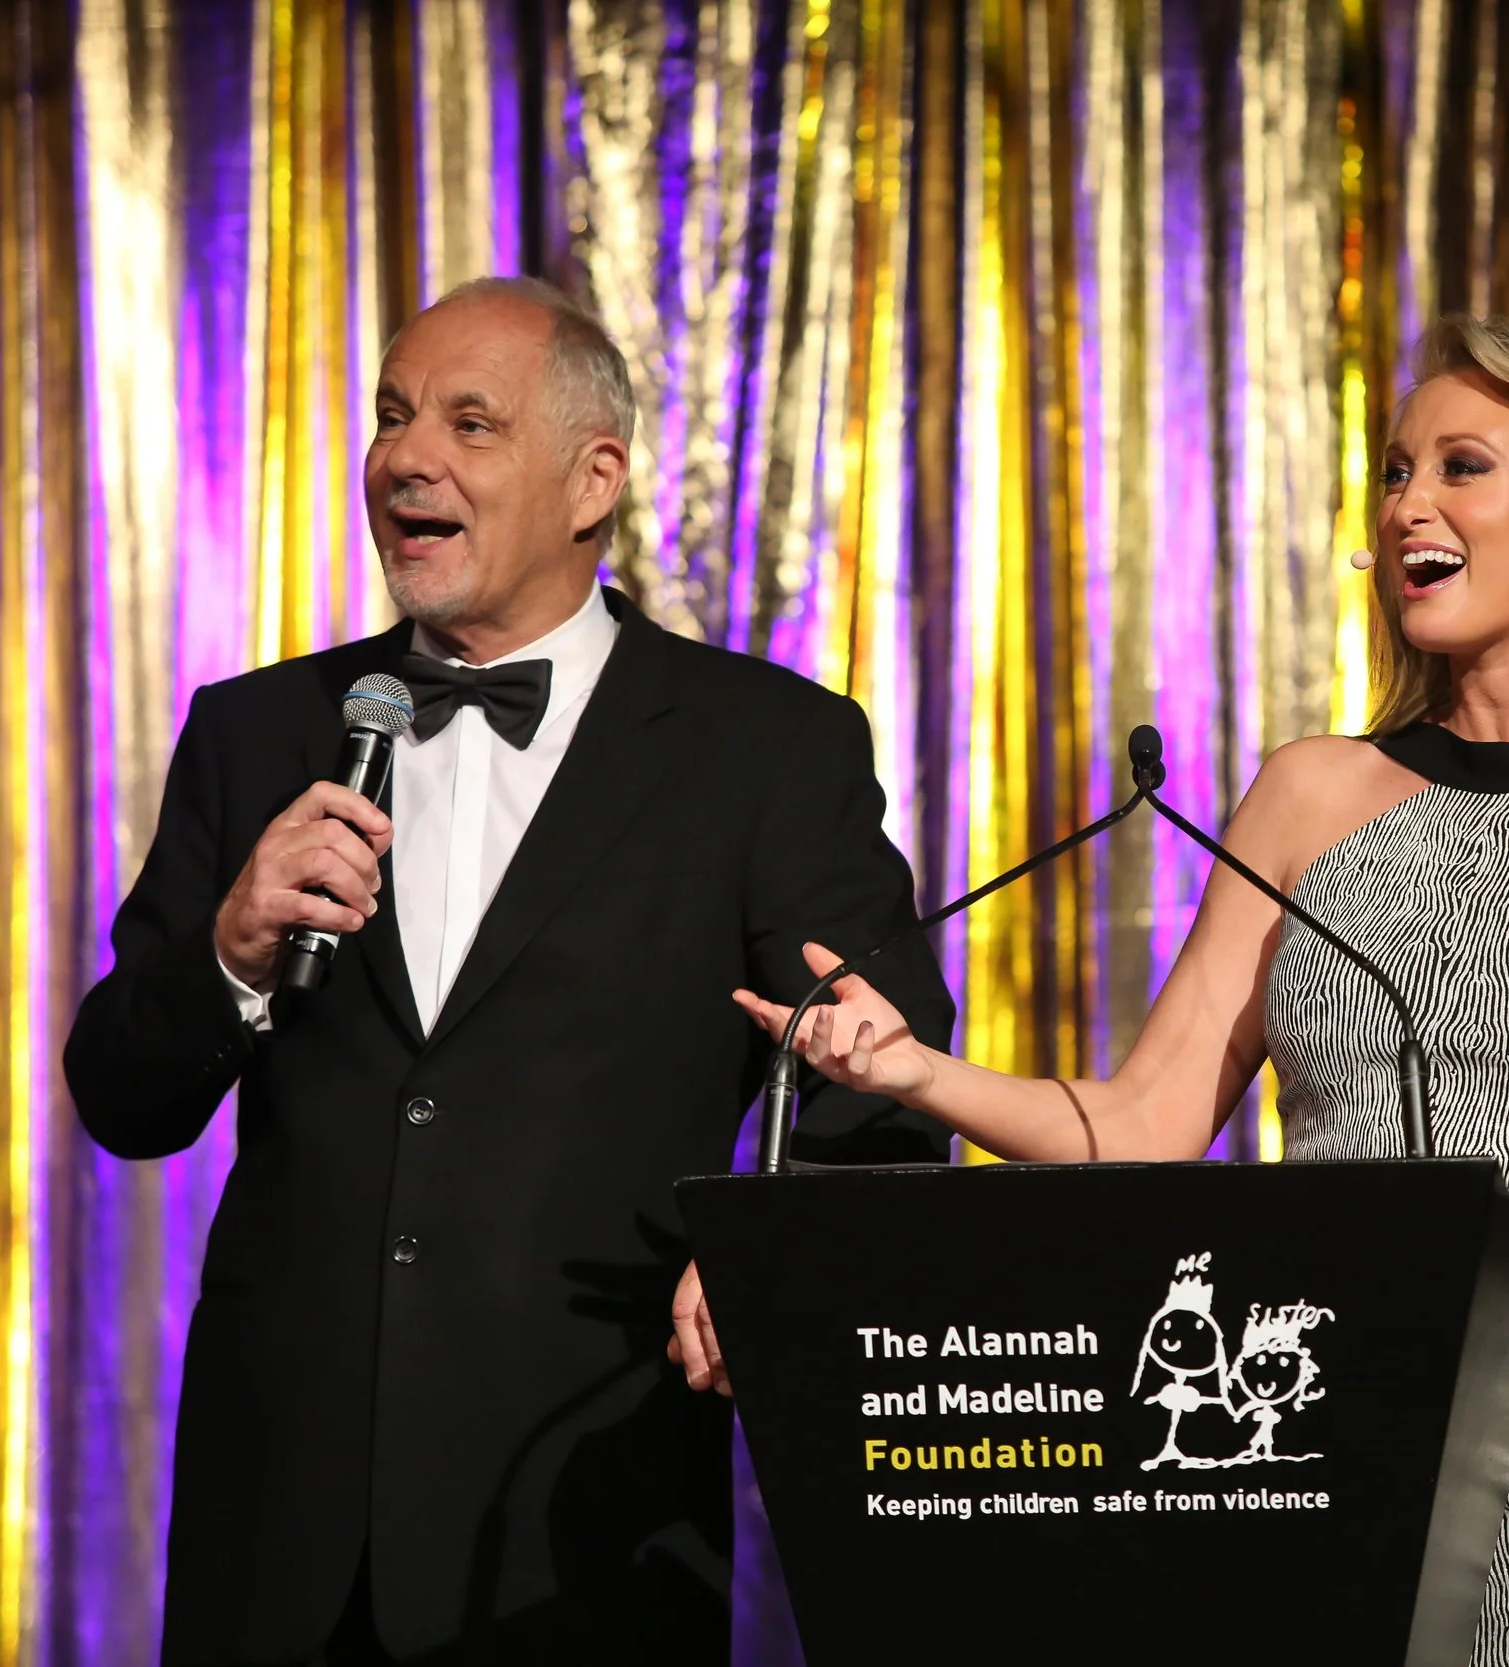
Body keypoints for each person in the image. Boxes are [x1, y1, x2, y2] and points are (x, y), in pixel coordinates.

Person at [718, 316, 1509, 1665]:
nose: (1407, 501)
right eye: (1396, 470)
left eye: (1461, 467)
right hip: (1315, 1441)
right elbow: (1144, 1121)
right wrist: (910, 1072)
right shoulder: (1311, 792)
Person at [64, 276, 953, 1666]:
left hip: (587, 1512)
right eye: (393, 417)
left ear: (592, 479)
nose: (407, 457)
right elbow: (122, 1093)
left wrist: (771, 1257)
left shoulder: (765, 749)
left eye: (469, 425)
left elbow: (884, 1081)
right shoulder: (257, 729)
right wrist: (230, 951)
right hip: (281, 1526)